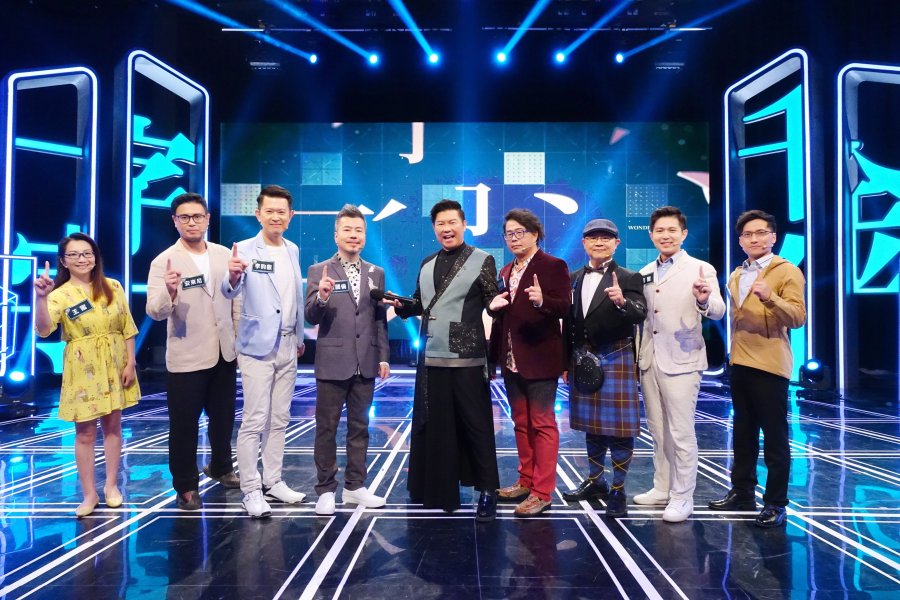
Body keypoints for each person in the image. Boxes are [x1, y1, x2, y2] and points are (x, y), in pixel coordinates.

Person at [392, 199, 502, 521]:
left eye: (452, 222)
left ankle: (488, 491)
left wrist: (496, 305)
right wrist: (402, 307)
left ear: (464, 225)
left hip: (467, 358)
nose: (447, 228)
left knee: (476, 426)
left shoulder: (482, 259)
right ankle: (438, 489)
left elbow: (490, 298)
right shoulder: (427, 262)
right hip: (431, 356)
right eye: (440, 224)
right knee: (436, 425)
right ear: (434, 228)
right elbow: (421, 303)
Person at [708, 209, 806, 528]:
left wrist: (771, 298)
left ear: (773, 237)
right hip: (739, 362)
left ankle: (776, 503)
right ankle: (742, 491)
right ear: (740, 241)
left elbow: (798, 318)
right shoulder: (736, 275)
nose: (754, 239)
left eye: (761, 233)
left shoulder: (787, 271)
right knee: (743, 433)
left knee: (775, 438)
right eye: (748, 235)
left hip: (770, 365)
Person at [33, 232, 141, 517]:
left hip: (115, 362)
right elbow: (44, 329)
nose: (82, 259)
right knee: (85, 433)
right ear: (63, 261)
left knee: (113, 426)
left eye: (87, 253)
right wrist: (41, 298)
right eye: (74, 255)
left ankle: (112, 486)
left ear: (95, 257)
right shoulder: (59, 294)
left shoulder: (113, 286)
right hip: (82, 367)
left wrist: (130, 362)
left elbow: (127, 327)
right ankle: (89, 493)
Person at [146, 192, 240, 511]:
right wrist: (170, 292)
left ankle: (222, 466)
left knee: (223, 419)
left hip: (224, 352)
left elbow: (236, 300)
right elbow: (155, 311)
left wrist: (238, 340)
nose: (191, 222)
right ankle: (186, 486)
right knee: (184, 426)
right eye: (184, 217)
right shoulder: (164, 261)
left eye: (197, 216)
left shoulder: (223, 255)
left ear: (207, 219)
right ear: (175, 221)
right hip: (187, 356)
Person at [633, 206, 726, 522]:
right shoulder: (646, 271)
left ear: (684, 233)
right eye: (659, 230)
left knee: (681, 433)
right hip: (650, 360)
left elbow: (718, 310)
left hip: (683, 359)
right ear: (651, 235)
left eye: (672, 230)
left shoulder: (700, 268)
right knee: (658, 430)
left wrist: (703, 299)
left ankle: (683, 497)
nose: (666, 235)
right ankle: (662, 487)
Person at [222, 184, 307, 518]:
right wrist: (232, 276)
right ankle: (251, 489)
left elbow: (294, 297)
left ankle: (273, 481)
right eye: (269, 211)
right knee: (254, 420)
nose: (275, 217)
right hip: (257, 345)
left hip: (288, 344)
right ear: (258, 214)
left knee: (280, 418)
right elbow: (230, 290)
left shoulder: (292, 249)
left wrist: (298, 336)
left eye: (281, 212)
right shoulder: (244, 249)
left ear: (290, 216)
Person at [305, 204, 390, 515]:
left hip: (365, 361)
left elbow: (379, 319)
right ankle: (326, 489)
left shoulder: (376, 273)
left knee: (360, 428)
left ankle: (355, 487)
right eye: (348, 230)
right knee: (326, 429)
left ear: (365, 235)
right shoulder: (319, 271)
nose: (354, 235)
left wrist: (383, 356)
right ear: (336, 235)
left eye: (359, 230)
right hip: (332, 362)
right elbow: (310, 315)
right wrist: (322, 296)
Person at [488, 209, 570, 517]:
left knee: (543, 424)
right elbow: (503, 316)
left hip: (541, 358)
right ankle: (525, 481)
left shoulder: (553, 265)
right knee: (520, 423)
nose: (513, 238)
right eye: (509, 234)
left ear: (535, 234)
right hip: (511, 359)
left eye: (519, 232)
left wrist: (542, 301)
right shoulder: (506, 270)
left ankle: (542, 492)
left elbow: (565, 308)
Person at [561, 218, 647, 518]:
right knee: (593, 427)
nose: (599, 242)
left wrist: (622, 302)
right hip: (582, 358)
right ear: (584, 243)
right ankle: (596, 481)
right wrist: (566, 361)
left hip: (615, 356)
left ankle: (618, 489)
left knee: (620, 430)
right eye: (593, 237)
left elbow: (639, 314)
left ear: (616, 243)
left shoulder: (628, 277)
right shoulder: (572, 278)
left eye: (606, 238)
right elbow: (569, 324)